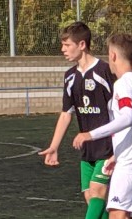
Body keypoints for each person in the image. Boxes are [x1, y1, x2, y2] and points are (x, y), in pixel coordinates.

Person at [72, 33, 132, 219]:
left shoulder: (124, 83)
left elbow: (126, 118)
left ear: (113, 55)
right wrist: (116, 155)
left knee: (117, 214)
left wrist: (90, 135)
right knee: (129, 215)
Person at [39, 22, 115, 219]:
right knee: (90, 197)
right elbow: (66, 113)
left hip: (107, 146)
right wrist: (54, 146)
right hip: (87, 148)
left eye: (67, 45)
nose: (62, 49)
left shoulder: (104, 71)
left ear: (82, 45)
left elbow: (118, 111)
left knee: (97, 191)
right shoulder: (70, 77)